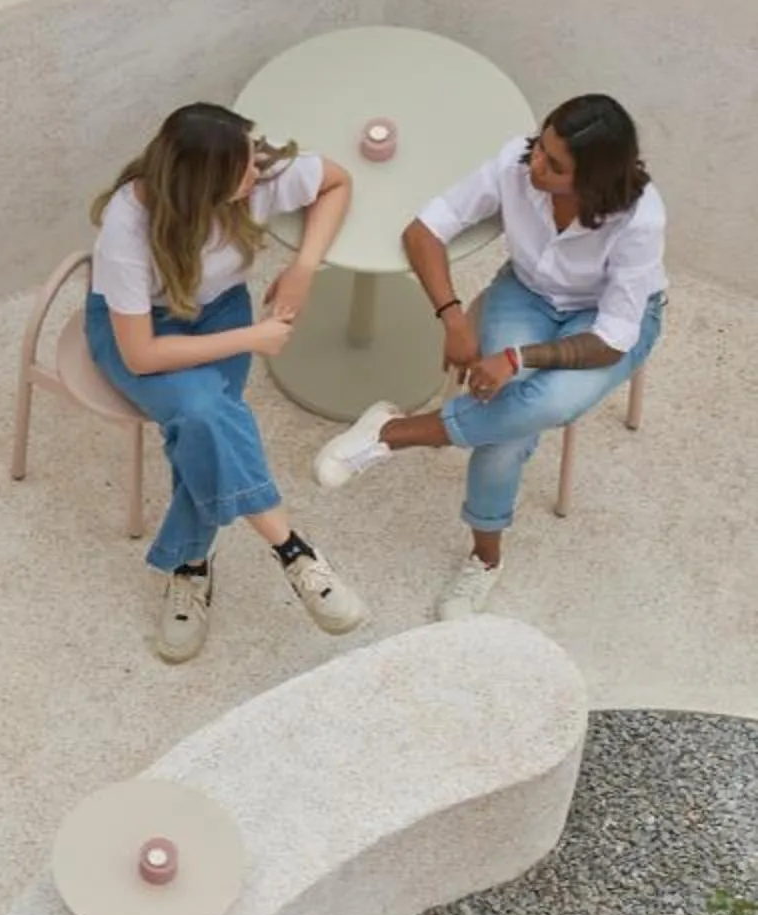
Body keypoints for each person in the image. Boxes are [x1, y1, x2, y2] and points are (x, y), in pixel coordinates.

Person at [313, 93, 666, 620]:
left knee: (546, 406)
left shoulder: (640, 219)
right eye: (540, 146)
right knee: (505, 428)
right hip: (526, 294)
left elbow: (612, 340)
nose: (535, 164)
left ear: (594, 179)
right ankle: (486, 556)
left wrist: (516, 358)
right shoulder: (515, 163)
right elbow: (424, 231)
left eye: (555, 165)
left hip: (603, 326)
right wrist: (454, 318)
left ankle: (392, 435)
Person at [87, 100, 368, 664]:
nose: (255, 172)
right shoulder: (128, 225)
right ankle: (293, 550)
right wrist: (253, 338)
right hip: (140, 333)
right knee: (201, 410)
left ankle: (191, 564)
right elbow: (141, 356)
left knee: (202, 425)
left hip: (219, 310)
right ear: (201, 185)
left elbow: (337, 181)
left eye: (252, 158)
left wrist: (304, 267)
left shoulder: (253, 172)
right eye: (241, 168)